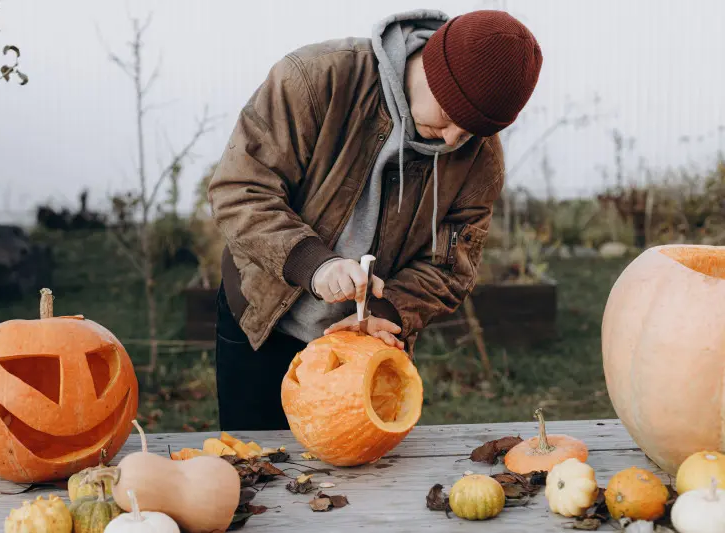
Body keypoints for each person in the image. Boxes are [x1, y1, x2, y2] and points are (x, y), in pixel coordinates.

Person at [208, 9, 542, 430]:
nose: (455, 138)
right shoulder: (316, 78)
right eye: (452, 115)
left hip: (366, 348)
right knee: (255, 469)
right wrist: (316, 264)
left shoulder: (480, 157)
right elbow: (241, 189)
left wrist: (387, 311)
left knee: (357, 479)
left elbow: (450, 268)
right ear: (432, 70)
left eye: (473, 130)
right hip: (261, 322)